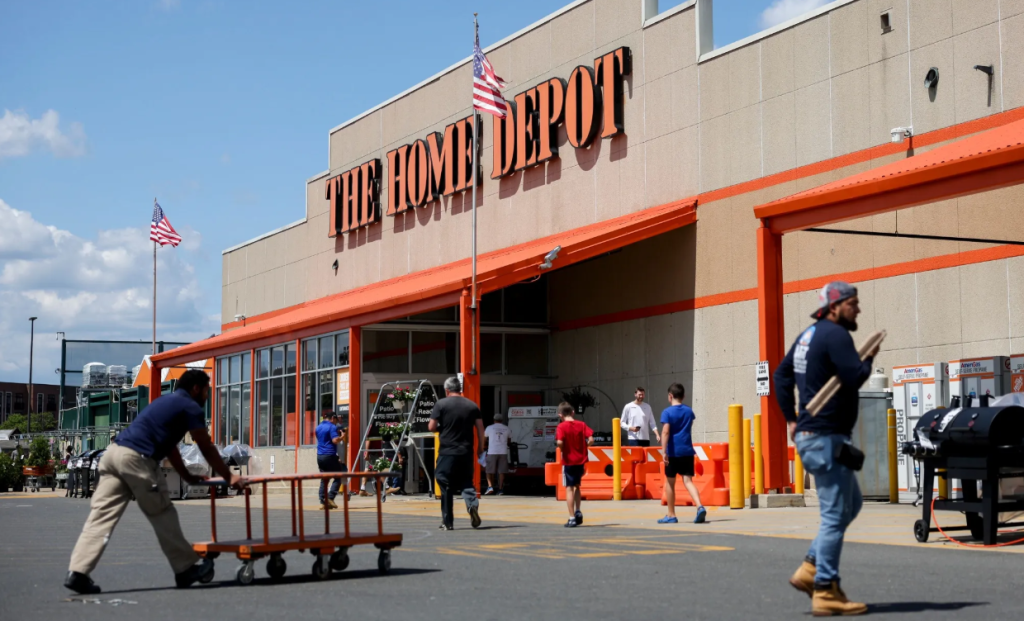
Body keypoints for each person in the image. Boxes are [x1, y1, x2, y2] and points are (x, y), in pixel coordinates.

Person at [65, 370, 243, 595]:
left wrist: (187, 476)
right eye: (207, 391)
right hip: (137, 459)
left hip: (112, 455)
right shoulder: (191, 407)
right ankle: (185, 569)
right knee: (162, 512)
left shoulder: (164, 402)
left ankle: (77, 572)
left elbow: (170, 447)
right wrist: (229, 476)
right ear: (196, 388)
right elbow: (205, 446)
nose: (207, 397)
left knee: (100, 517)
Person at [774, 281, 878, 616]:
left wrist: (792, 419)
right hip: (826, 437)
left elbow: (781, 376)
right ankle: (825, 588)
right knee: (834, 515)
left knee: (852, 505)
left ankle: (810, 567)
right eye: (852, 303)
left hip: (814, 437)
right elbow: (854, 376)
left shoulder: (808, 335)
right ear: (834, 307)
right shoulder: (836, 335)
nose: (857, 309)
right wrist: (869, 357)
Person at [428, 376, 484, 530]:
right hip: (466, 451)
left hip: (447, 451)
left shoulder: (441, 404)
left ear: (447, 390)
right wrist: (480, 448)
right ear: (460, 389)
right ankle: (472, 505)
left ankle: (448, 522)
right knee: (466, 481)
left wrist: (443, 427)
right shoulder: (472, 405)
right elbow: (480, 429)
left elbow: (431, 427)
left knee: (444, 482)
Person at [658, 383, 706, 524]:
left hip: (673, 452)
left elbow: (665, 432)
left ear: (670, 396)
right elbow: (688, 428)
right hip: (687, 451)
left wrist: (664, 451)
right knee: (688, 481)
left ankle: (671, 515)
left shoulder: (667, 412)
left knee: (670, 483)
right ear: (683, 396)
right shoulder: (689, 411)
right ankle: (699, 506)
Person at [555, 402, 593, 527]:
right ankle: (578, 510)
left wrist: (562, 448)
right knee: (577, 486)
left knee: (569, 488)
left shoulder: (561, 427)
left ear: (560, 415)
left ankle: (571, 518)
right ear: (573, 412)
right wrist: (585, 447)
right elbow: (591, 439)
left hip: (568, 460)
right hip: (581, 460)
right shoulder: (581, 425)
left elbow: (559, 442)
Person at [316, 410, 347, 510]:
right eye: (336, 420)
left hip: (320, 456)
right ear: (333, 418)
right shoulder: (332, 427)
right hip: (329, 455)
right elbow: (335, 440)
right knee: (339, 475)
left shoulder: (318, 427)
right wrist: (342, 437)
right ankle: (330, 497)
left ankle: (322, 502)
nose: (336, 422)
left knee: (324, 478)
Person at [483, 412, 511, 495]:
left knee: (489, 470)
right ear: (501, 420)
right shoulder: (507, 428)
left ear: (494, 420)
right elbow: (509, 441)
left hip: (492, 451)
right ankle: (500, 489)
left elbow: (484, 439)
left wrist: (484, 446)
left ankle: (490, 487)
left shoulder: (489, 428)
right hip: (503, 452)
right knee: (501, 471)